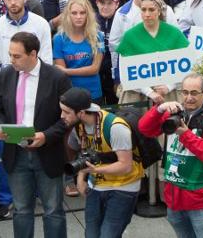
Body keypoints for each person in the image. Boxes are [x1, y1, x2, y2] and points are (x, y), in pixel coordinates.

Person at [0, 30, 73, 238]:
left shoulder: (57, 77)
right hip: (16, 151)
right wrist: (1, 126)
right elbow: (1, 109)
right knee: (21, 210)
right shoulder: (7, 74)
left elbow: (67, 118)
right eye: (10, 55)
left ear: (33, 54)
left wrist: (46, 136)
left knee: (53, 210)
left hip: (47, 151)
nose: (12, 60)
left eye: (17, 56)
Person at [138, 72, 203, 238]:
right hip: (174, 198)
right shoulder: (175, 114)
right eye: (185, 92)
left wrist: (185, 134)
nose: (188, 98)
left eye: (194, 93)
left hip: (201, 200)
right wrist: (159, 109)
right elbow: (145, 129)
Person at [59, 86, 144, 238]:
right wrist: (80, 179)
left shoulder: (115, 127)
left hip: (124, 186)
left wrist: (95, 171)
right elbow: (84, 154)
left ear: (82, 112)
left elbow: (125, 166)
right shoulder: (78, 127)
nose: (62, 116)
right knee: (91, 234)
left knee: (108, 235)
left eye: (66, 112)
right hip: (96, 185)